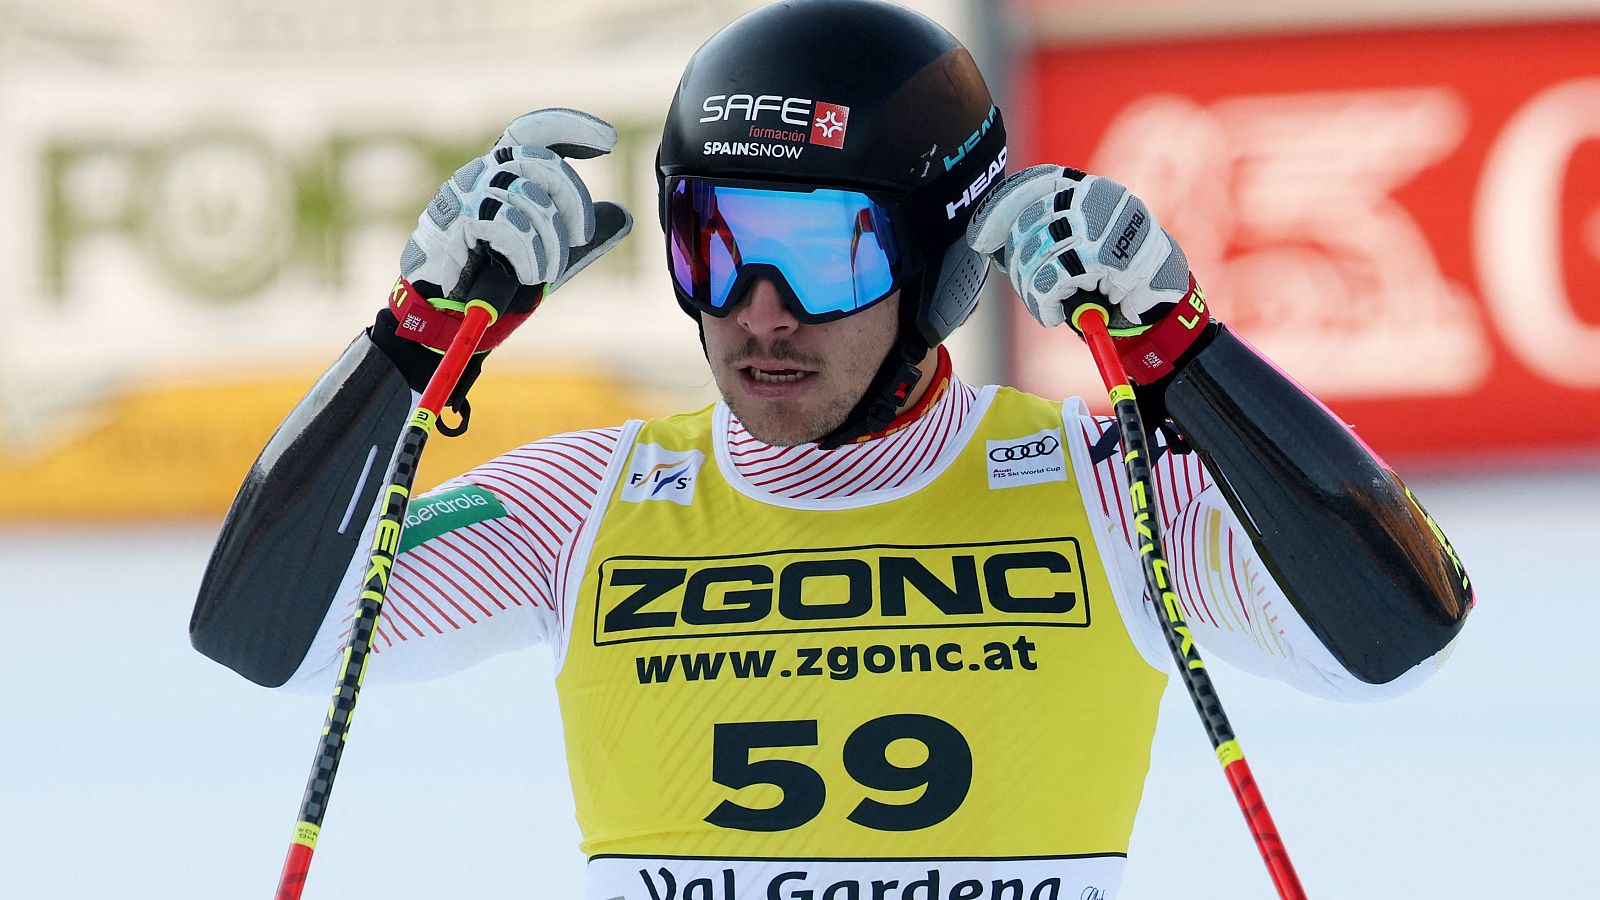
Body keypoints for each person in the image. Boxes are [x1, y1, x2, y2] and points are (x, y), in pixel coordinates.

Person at [191, 2, 1473, 898]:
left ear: (936, 264)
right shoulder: (582, 504)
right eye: (709, 241)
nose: (759, 310)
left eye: (821, 251)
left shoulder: (1108, 493)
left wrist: (1182, 356)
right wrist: (412, 341)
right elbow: (266, 636)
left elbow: (1396, 639)